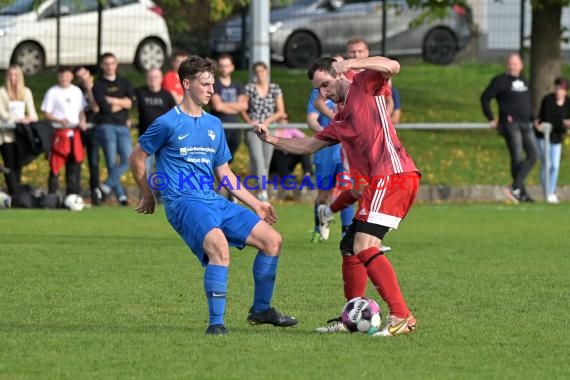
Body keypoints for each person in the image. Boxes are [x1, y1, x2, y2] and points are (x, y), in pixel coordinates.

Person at [128, 55, 297, 336]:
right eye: (205, 84)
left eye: (212, 84)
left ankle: (262, 309)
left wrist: (256, 203)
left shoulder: (214, 125)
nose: (211, 90)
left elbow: (226, 175)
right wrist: (147, 194)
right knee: (220, 247)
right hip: (183, 202)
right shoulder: (167, 123)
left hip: (213, 200)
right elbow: (137, 157)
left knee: (272, 241)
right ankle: (216, 324)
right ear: (186, 84)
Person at [255, 55, 420, 337]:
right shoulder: (341, 119)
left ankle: (401, 316)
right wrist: (272, 139)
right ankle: (351, 317)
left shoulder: (365, 82)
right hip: (379, 182)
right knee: (349, 245)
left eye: (326, 85)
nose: (323, 94)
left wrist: (356, 64)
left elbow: (393, 65)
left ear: (340, 73)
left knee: (365, 244)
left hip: (394, 175)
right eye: (318, 89)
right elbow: (308, 145)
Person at [306, 54, 354, 242]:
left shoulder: (349, 89)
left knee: (347, 189)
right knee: (324, 193)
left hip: (345, 151)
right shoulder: (318, 93)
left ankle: (346, 232)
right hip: (325, 152)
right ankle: (319, 228)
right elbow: (312, 119)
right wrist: (327, 135)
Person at [481, 53, 538, 203]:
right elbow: (485, 98)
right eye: (510, 63)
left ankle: (516, 188)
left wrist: (534, 118)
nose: (513, 66)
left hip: (526, 123)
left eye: (516, 63)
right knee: (517, 157)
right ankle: (520, 192)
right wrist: (491, 118)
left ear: (521, 65)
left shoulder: (524, 80)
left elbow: (527, 103)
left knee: (533, 155)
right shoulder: (500, 81)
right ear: (507, 65)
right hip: (511, 124)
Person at [93, 52, 135, 206]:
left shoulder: (124, 82)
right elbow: (104, 108)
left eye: (112, 63)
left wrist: (113, 100)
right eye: (107, 63)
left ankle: (103, 187)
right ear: (102, 66)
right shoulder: (98, 85)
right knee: (111, 162)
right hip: (106, 126)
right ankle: (122, 197)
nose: (110, 66)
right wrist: (122, 102)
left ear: (116, 65)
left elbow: (131, 103)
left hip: (123, 126)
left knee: (129, 159)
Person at [41, 66, 87, 195]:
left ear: (71, 76)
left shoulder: (76, 91)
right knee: (55, 165)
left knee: (74, 165)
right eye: (62, 76)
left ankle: (72, 195)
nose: (64, 78)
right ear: (58, 77)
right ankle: (52, 196)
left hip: (75, 133)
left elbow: (81, 111)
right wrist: (59, 120)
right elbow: (46, 113)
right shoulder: (53, 92)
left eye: (67, 76)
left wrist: (82, 120)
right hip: (59, 133)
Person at [0, 65, 38, 197]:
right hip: (6, 135)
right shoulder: (2, 92)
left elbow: (33, 115)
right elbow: (3, 114)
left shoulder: (26, 92)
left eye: (15, 75)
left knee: (18, 165)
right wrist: (17, 119)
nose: (12, 78)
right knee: (9, 164)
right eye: (10, 75)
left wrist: (28, 119)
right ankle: (13, 193)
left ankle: (16, 194)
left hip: (21, 135)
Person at [134, 68, 176, 175]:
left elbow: (176, 115)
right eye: (151, 77)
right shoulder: (139, 92)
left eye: (156, 77)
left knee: (164, 172)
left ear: (161, 79)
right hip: (146, 139)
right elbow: (130, 107)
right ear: (147, 78)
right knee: (144, 171)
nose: (153, 79)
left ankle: (162, 192)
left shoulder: (167, 95)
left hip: (164, 140)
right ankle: (146, 192)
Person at [535, 76, 570, 204]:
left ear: (565, 91)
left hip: (557, 138)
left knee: (555, 166)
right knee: (546, 164)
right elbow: (547, 118)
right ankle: (547, 191)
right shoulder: (548, 100)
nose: (559, 92)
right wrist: (562, 123)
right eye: (557, 88)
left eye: (562, 89)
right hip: (544, 137)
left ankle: (551, 191)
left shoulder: (568, 103)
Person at [74, 66, 103, 205]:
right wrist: (81, 117)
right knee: (77, 160)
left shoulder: (98, 87)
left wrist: (89, 89)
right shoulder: (76, 90)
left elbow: (96, 107)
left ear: (89, 74)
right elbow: (78, 108)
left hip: (94, 129)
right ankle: (75, 193)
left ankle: (95, 192)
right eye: (79, 77)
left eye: (84, 74)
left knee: (93, 162)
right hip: (80, 129)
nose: (83, 78)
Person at [211, 54, 248, 161]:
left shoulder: (237, 85)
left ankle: (225, 177)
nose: (224, 68)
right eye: (222, 66)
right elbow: (217, 106)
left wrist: (224, 105)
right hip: (219, 127)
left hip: (235, 127)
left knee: (230, 158)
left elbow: (244, 106)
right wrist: (236, 106)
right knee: (218, 158)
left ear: (232, 67)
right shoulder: (214, 85)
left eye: (227, 65)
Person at [269, 114, 313, 186]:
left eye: (286, 118)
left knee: (303, 150)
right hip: (275, 160)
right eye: (282, 118)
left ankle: (307, 175)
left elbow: (305, 138)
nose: (284, 120)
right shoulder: (273, 130)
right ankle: (287, 179)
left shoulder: (290, 129)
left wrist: (294, 146)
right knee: (279, 153)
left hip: (288, 157)